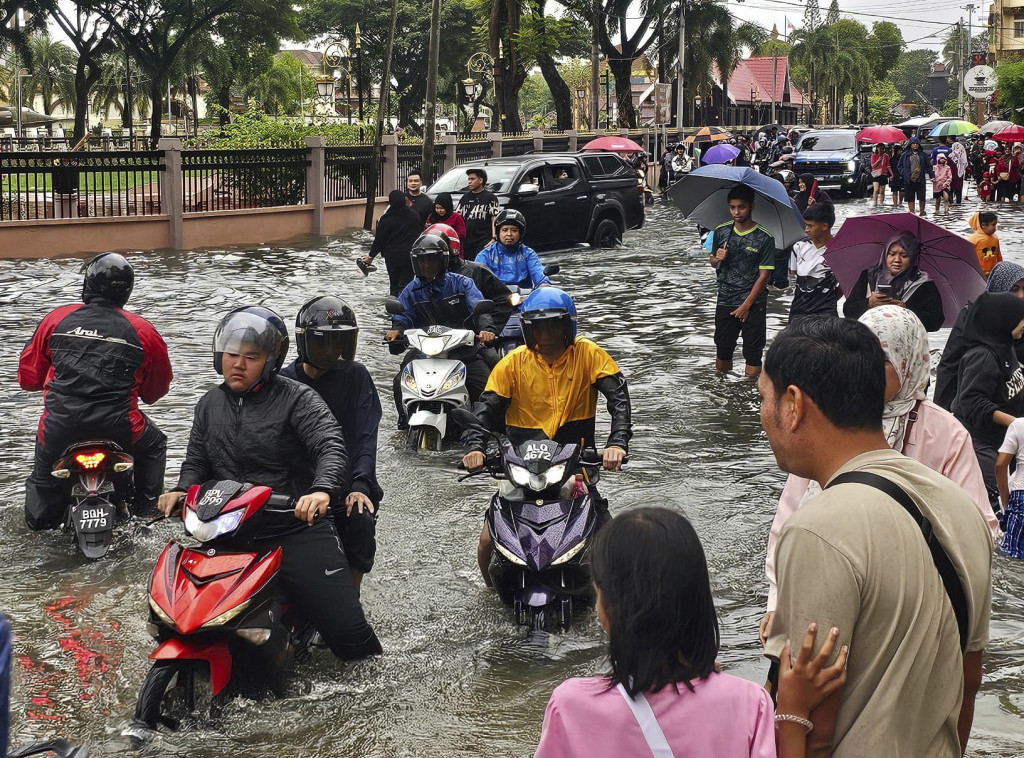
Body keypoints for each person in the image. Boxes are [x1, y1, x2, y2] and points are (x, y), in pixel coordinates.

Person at [759, 316, 993, 758]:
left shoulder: (816, 530)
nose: (762, 416)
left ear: (793, 405)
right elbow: (970, 682)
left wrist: (787, 710)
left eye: (763, 399)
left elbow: (816, 738)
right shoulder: (961, 508)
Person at [157, 306, 382, 660]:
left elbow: (331, 446)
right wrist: (182, 490)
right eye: (232, 355)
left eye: (251, 357)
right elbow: (197, 460)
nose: (239, 364)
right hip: (227, 529)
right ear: (220, 357)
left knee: (352, 640)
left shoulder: (299, 398)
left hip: (293, 526)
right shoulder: (209, 404)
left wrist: (321, 489)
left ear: (272, 361)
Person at [534, 507, 848, 758]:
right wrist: (793, 713)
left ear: (607, 609)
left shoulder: (571, 706)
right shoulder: (749, 704)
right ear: (698, 598)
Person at [761, 306, 997, 637]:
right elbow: (788, 521)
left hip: (912, 605)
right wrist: (776, 602)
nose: (866, 370)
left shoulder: (946, 432)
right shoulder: (829, 420)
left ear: (909, 362)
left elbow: (979, 528)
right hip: (835, 580)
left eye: (880, 360)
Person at [460, 287, 632, 586]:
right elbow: (485, 409)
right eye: (538, 326)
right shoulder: (512, 363)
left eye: (554, 325)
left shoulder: (589, 354)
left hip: (576, 465)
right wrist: (476, 447)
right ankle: (489, 590)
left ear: (568, 326)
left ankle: (615, 595)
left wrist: (616, 442)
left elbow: (618, 399)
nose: (546, 333)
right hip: (521, 468)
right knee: (487, 540)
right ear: (528, 329)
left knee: (611, 538)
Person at [18, 253, 172, 530]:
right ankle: (147, 513)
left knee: (43, 481)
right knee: (155, 444)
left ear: (87, 285)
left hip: (58, 428)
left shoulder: (56, 319)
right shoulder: (144, 331)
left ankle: (40, 524)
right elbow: (156, 391)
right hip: (123, 429)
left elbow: (28, 379)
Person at [280, 296, 383, 595]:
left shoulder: (356, 376)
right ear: (305, 343)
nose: (330, 352)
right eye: (323, 343)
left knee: (361, 520)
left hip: (346, 479)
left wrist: (361, 485)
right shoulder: (284, 382)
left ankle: (352, 595)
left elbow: (366, 435)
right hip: (297, 481)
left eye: (338, 343)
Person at [386, 232, 496, 425]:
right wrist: (396, 329)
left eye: (431, 261)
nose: (426, 265)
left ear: (442, 261)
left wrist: (486, 328)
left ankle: (489, 428)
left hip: (463, 351)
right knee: (399, 381)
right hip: (424, 352)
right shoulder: (411, 290)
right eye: (421, 261)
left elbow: (478, 307)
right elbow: (402, 315)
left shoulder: (462, 283)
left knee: (490, 385)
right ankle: (404, 422)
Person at [951, 292, 1024, 510]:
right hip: (982, 442)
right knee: (998, 501)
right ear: (1003, 320)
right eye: (1020, 317)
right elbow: (971, 402)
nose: (1023, 323)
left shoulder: (1006, 346)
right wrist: (1015, 422)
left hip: (1006, 439)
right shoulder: (982, 357)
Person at [934, 261, 1024, 412]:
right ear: (999, 288)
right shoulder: (972, 317)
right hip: (975, 406)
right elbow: (949, 365)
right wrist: (941, 412)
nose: (1021, 296)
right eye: (1014, 289)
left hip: (1010, 400)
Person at [708, 184, 775, 376]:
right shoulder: (721, 232)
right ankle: (722, 392)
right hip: (725, 299)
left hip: (754, 303)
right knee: (722, 350)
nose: (736, 212)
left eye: (742, 207)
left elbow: (764, 276)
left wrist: (746, 305)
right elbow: (712, 262)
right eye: (732, 207)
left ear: (752, 206)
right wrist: (717, 258)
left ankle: (750, 397)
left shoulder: (764, 237)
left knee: (753, 354)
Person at [842, 232, 944, 332]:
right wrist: (868, 303)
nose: (897, 260)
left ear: (913, 257)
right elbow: (848, 311)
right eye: (892, 254)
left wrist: (906, 311)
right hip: (870, 341)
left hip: (907, 343)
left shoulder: (923, 283)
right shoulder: (869, 276)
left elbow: (936, 322)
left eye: (904, 255)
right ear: (885, 255)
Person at [363, 189, 423, 297]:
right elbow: (420, 235)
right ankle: (405, 309)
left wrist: (370, 257)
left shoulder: (385, 220)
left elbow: (379, 241)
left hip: (392, 258)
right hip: (409, 256)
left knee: (394, 285)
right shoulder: (414, 216)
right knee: (405, 285)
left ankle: (393, 309)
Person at [474, 209, 550, 289]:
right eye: (505, 230)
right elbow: (476, 281)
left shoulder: (528, 253)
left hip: (524, 298)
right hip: (495, 299)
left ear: (520, 233)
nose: (509, 234)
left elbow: (537, 271)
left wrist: (543, 284)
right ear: (498, 233)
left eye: (514, 230)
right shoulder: (485, 255)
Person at [788, 202, 840, 320]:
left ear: (825, 226)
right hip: (798, 310)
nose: (806, 230)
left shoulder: (839, 251)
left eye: (810, 226)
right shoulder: (798, 247)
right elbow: (796, 276)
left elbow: (844, 285)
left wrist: (826, 299)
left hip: (826, 312)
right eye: (805, 225)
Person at [457, 167, 500, 258]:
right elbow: (458, 218)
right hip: (467, 242)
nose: (469, 181)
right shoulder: (464, 198)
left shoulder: (490, 198)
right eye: (468, 179)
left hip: (484, 241)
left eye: (472, 179)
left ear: (480, 180)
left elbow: (494, 219)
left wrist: (494, 238)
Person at [997, 417, 1024, 557]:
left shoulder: (1019, 424)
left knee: (1012, 556)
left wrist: (1006, 501)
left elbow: (1001, 465)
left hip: (1021, 498)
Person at [896, 137, 933, 216]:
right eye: (913, 144)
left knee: (922, 196)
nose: (915, 145)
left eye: (917, 144)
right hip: (909, 179)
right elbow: (899, 166)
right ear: (910, 145)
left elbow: (928, 166)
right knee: (910, 197)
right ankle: (912, 213)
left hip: (920, 179)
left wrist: (932, 175)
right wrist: (904, 173)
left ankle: (922, 211)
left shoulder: (923, 155)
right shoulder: (905, 155)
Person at [968, 211, 1002, 277]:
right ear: (983, 225)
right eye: (993, 225)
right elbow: (968, 255)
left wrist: (1000, 267)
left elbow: (998, 255)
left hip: (992, 271)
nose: (995, 228)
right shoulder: (973, 239)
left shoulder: (995, 238)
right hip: (978, 272)